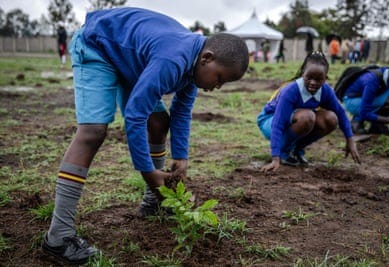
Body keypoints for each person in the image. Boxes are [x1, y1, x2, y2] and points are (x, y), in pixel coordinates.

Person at [41, 7, 249, 265]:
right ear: (207, 58)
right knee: (93, 132)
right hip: (98, 46)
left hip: (130, 61)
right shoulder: (173, 60)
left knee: (159, 121)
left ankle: (153, 202)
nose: (216, 87)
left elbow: (181, 113)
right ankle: (58, 236)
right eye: (219, 79)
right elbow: (135, 115)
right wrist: (148, 171)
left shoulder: (194, 66)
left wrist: (182, 158)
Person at [257, 51, 361, 172]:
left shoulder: (326, 91)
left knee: (331, 119)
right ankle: (283, 151)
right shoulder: (291, 91)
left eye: (319, 79)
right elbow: (278, 123)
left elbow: (341, 114)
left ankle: (297, 149)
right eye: (309, 77)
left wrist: (350, 139)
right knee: (307, 117)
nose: (313, 82)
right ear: (302, 74)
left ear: (325, 78)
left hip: (295, 120)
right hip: (270, 120)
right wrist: (275, 157)